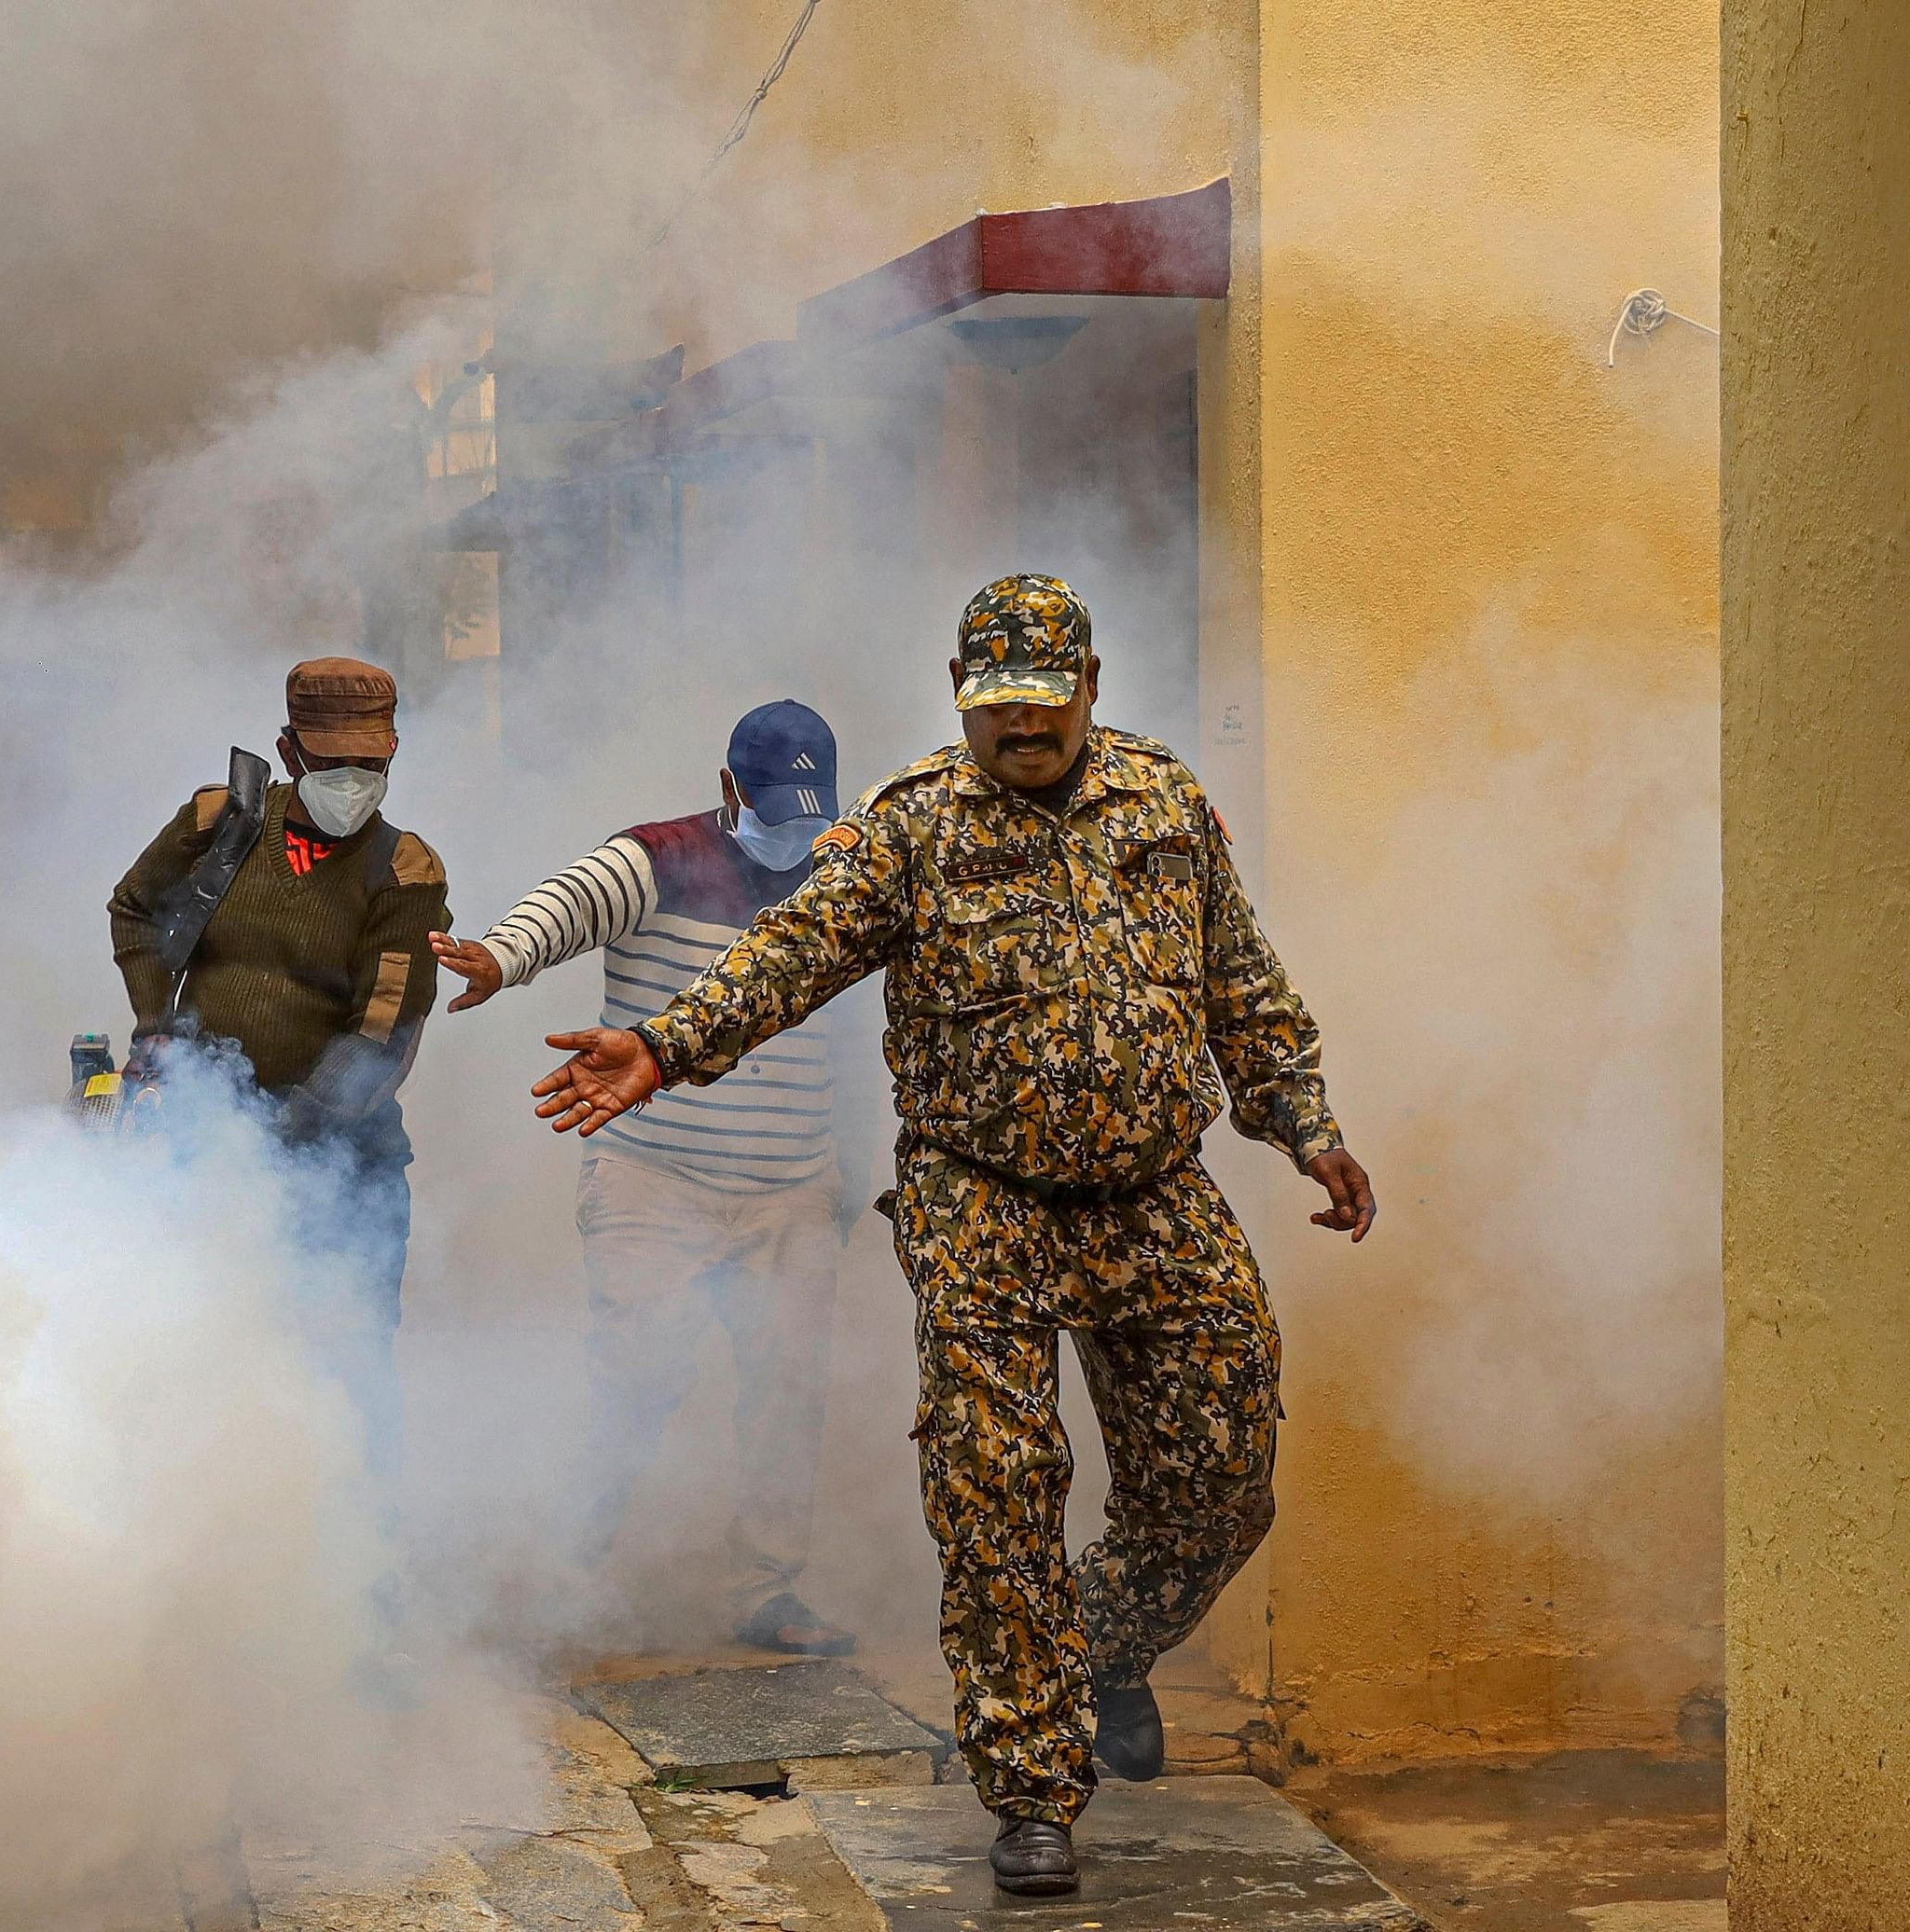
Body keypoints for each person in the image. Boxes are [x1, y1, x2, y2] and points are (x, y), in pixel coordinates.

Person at [524, 576, 1376, 1899]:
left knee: (1220, 1473)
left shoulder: (1163, 803)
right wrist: (662, 1042)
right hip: (979, 1199)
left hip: (1154, 1190)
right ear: (958, 698)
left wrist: (1302, 1125)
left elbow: (1239, 983)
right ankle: (1031, 1785)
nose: (1019, 732)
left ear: (1087, 684)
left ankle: (1096, 1649)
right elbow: (789, 953)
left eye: (1041, 706)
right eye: (993, 711)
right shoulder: (908, 824)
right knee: (995, 1481)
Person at [429, 699, 865, 1658]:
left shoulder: (846, 869)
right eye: (772, 809)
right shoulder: (656, 857)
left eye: (807, 811)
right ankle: (559, 1581)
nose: (790, 832)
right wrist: (499, 957)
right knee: (632, 1373)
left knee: (788, 1388)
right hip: (652, 1177)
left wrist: (847, 1181)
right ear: (726, 789)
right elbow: (565, 905)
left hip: (791, 1183)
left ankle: (766, 1588)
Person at [108, 656, 450, 1475]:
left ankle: (361, 1573)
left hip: (342, 1163)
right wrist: (156, 1024)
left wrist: (287, 1136)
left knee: (344, 1373)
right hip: (197, 1143)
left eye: (369, 765)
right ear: (288, 751)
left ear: (394, 753)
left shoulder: (404, 872)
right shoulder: (218, 822)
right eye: (332, 764)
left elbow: (383, 1027)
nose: (352, 780)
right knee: (193, 1363)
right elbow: (135, 909)